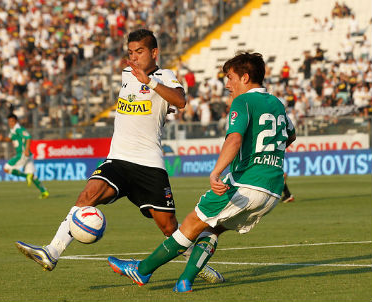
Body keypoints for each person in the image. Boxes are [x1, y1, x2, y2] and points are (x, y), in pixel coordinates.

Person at [15, 29, 224, 284]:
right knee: (86, 196)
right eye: (130, 53)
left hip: (149, 165)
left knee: (170, 228)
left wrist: (151, 82)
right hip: (118, 159)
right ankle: (52, 252)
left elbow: (180, 101)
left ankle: (198, 265)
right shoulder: (126, 74)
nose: (133, 58)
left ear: (154, 53)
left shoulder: (164, 76)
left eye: (139, 52)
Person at [107, 52, 296, 292]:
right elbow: (290, 135)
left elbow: (234, 139)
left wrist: (216, 173)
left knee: (191, 223)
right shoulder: (276, 103)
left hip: (248, 184)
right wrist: (265, 153)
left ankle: (142, 270)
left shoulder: (243, 101)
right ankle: (184, 281)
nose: (227, 84)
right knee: (212, 227)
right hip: (272, 191)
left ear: (245, 78)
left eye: (230, 78)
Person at [0, 113, 49, 199]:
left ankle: (26, 176)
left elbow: (28, 137)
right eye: (9, 121)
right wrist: (2, 139)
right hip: (28, 155)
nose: (11, 123)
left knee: (6, 168)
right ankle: (44, 192)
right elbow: (10, 138)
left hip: (22, 154)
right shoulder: (12, 130)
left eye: (12, 121)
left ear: (16, 121)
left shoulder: (18, 129)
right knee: (32, 175)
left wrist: (26, 150)